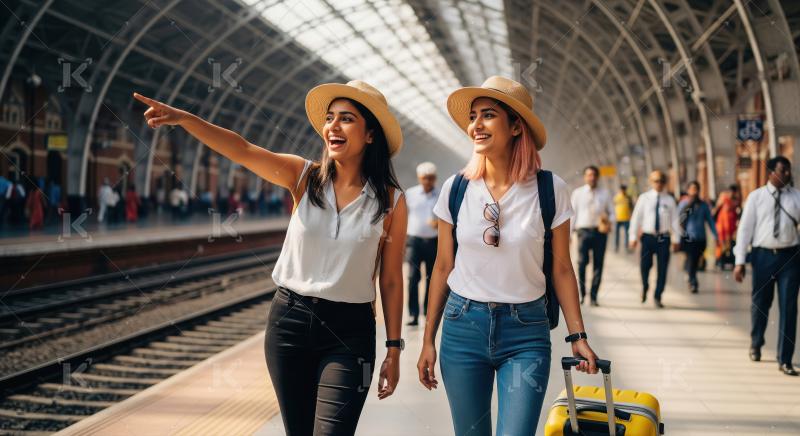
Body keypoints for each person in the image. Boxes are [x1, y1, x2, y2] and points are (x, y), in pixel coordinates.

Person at [135, 79, 408, 434]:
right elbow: (242, 150)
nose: (333, 126)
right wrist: (186, 119)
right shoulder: (303, 178)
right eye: (330, 118)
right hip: (289, 324)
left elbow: (391, 279)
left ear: (370, 135)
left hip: (349, 333)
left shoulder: (390, 201)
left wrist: (394, 348)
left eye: (346, 119)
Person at [417, 76, 598, 435]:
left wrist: (577, 335)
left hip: (526, 333)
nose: (476, 125)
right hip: (462, 327)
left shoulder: (550, 189)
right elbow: (442, 267)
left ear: (516, 126)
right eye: (473, 117)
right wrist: (427, 341)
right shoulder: (456, 188)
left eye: (488, 115)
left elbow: (562, 269)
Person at [734, 156, 799, 376]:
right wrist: (739, 261)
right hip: (762, 256)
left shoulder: (797, 197)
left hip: (790, 258)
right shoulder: (756, 197)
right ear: (771, 172)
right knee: (760, 303)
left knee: (789, 308)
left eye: (788, 170)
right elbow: (745, 230)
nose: (787, 174)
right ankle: (756, 342)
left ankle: (785, 359)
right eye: (783, 170)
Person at [629, 170, 681, 308]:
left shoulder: (669, 200)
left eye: (662, 181)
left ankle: (658, 295)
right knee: (645, 266)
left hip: (664, 238)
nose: (659, 184)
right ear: (651, 182)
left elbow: (675, 220)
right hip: (647, 237)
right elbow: (636, 218)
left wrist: (676, 239)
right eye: (656, 181)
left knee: (662, 268)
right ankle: (645, 286)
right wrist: (632, 236)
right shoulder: (644, 198)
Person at [571, 165, 614, 306]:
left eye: (594, 175)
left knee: (598, 264)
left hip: (599, 233)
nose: (592, 178)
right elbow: (572, 214)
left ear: (598, 177)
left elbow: (612, 213)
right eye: (589, 175)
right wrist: (569, 234)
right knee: (581, 263)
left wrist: (609, 221)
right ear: (585, 177)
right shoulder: (578, 193)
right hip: (583, 232)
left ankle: (594, 297)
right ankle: (582, 295)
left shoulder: (605, 193)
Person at [405, 161, 439, 326]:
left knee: (431, 278)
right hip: (414, 241)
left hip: (433, 241)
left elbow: (448, 217)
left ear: (435, 178)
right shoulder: (410, 194)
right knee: (413, 277)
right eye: (425, 178)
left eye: (431, 178)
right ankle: (413, 314)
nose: (428, 181)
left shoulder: (441, 194)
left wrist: (439, 223)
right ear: (419, 178)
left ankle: (428, 312)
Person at [677, 181, 718, 293]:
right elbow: (678, 220)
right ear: (688, 190)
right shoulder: (683, 204)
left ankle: (689, 273)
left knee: (695, 260)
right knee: (691, 258)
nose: (694, 191)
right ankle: (693, 282)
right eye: (692, 189)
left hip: (701, 238)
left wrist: (716, 235)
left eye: (696, 189)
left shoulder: (703, 205)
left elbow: (710, 221)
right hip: (688, 237)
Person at [715, 183, 740, 269]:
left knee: (731, 246)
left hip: (731, 228)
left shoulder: (735, 201)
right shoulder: (724, 199)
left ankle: (730, 262)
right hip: (722, 228)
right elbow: (716, 210)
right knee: (721, 245)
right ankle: (720, 262)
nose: (732, 194)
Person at [614, 184, 633, 253]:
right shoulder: (616, 197)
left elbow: (631, 207)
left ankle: (626, 247)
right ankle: (616, 246)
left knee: (627, 234)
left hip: (626, 218)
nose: (623, 191)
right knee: (616, 234)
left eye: (624, 189)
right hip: (618, 218)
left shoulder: (628, 198)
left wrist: (631, 216)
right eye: (622, 189)